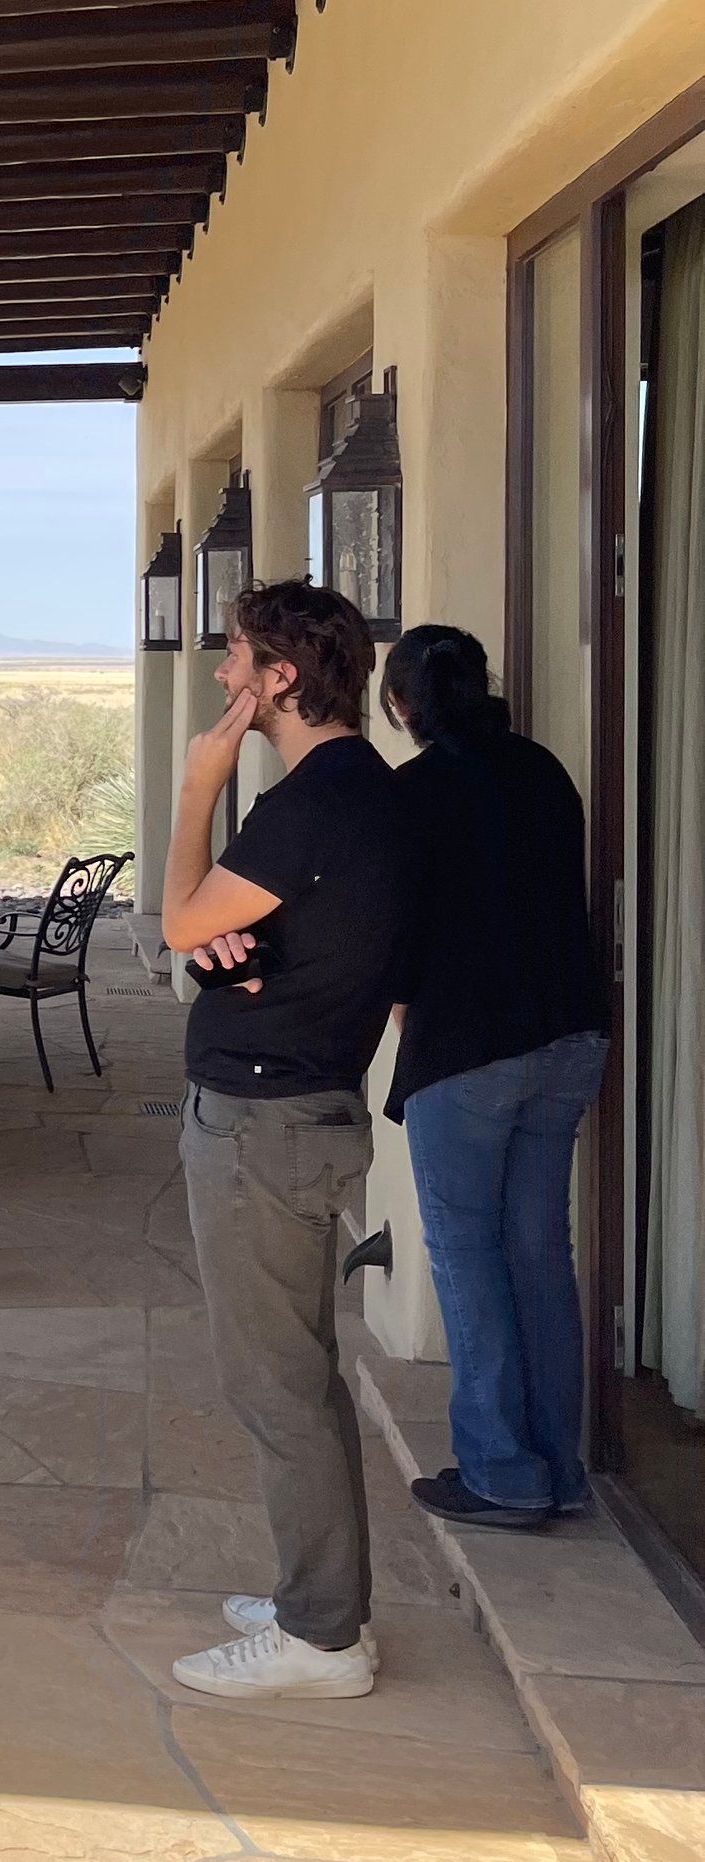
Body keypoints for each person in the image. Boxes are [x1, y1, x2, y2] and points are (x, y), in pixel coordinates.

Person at [162, 579, 410, 1703]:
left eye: (234, 657)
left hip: (267, 1126)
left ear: (281, 679)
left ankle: (321, 1641)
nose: (222, 675)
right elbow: (250, 935)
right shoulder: (358, 793)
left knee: (275, 1388)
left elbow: (174, 922)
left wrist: (194, 794)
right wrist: (243, 949)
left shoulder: (309, 800)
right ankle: (324, 1598)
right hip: (292, 1111)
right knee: (296, 1378)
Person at [382, 623, 610, 1529]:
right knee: (539, 1253)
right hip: (569, 1029)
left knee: (468, 1254)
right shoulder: (546, 770)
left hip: (469, 1045)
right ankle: (557, 1463)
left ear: (403, 704)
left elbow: (401, 928)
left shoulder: (414, 792)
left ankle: (501, 1471)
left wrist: (400, 1000)